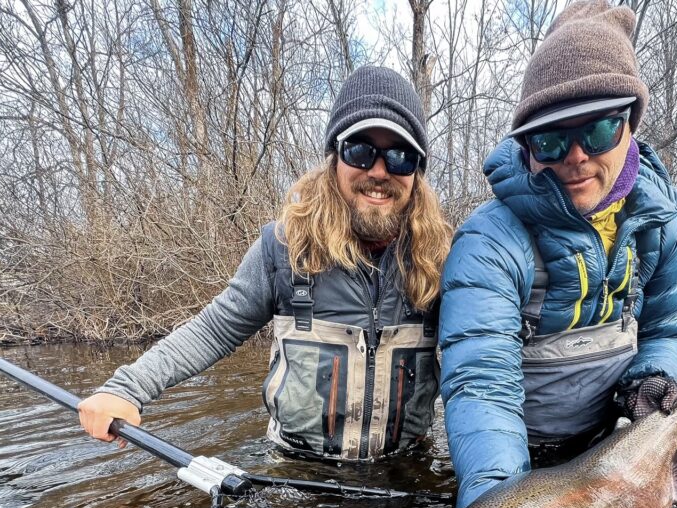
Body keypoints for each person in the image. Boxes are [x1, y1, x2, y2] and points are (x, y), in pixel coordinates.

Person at [439, 0, 677, 508]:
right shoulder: (487, 244)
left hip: (617, 434)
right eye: (551, 138)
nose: (576, 155)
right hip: (527, 454)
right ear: (528, 148)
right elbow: (481, 387)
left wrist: (650, 379)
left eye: (599, 129)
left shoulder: (659, 223)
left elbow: (667, 328)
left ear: (629, 128)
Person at [79, 67, 451, 460]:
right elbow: (212, 331)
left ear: (417, 172)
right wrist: (126, 389)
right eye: (360, 150)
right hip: (299, 473)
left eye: (400, 156)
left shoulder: (441, 261)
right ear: (334, 160)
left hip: (405, 470)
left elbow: (486, 361)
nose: (379, 171)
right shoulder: (283, 250)